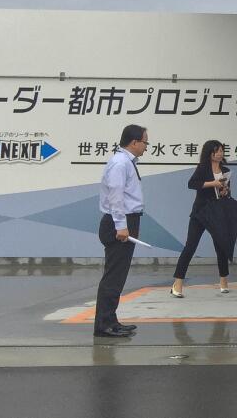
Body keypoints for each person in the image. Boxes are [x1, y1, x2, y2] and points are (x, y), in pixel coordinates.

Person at [94, 124, 149, 338]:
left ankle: (111, 320)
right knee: (113, 276)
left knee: (118, 276)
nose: (146, 147)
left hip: (126, 221)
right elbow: (115, 197)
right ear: (134, 142)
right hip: (119, 223)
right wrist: (121, 226)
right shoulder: (120, 163)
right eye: (145, 142)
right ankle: (103, 325)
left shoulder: (126, 162)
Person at [171, 140, 233, 297]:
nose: (220, 153)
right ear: (209, 153)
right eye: (217, 151)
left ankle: (223, 280)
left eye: (221, 151)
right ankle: (177, 283)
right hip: (200, 212)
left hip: (218, 212)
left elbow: (227, 192)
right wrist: (213, 183)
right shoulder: (202, 168)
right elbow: (192, 184)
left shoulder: (225, 170)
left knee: (221, 247)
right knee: (190, 247)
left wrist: (225, 191)